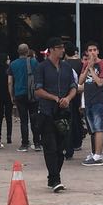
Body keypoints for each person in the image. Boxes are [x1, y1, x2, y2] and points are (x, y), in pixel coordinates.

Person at [33, 37, 77, 192]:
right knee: (50, 146)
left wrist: (68, 98)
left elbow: (73, 87)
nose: (62, 50)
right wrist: (54, 98)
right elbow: (37, 90)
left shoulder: (66, 67)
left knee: (61, 148)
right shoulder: (41, 67)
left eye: (63, 47)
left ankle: (53, 176)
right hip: (46, 112)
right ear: (51, 49)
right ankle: (55, 179)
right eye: (59, 48)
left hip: (63, 113)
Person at [77, 44, 103, 165]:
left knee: (99, 127)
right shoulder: (86, 64)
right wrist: (87, 68)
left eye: (94, 50)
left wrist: (91, 69)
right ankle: (94, 152)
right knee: (92, 129)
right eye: (90, 50)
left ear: (98, 51)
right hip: (88, 100)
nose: (92, 52)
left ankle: (98, 155)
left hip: (98, 100)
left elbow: (100, 82)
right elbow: (80, 81)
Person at [8, 44, 37, 151]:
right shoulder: (34, 62)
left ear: (18, 51)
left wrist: (11, 95)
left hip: (19, 93)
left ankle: (24, 143)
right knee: (34, 119)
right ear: (28, 51)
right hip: (33, 94)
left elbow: (10, 82)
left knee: (23, 120)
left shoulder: (13, 64)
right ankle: (37, 143)